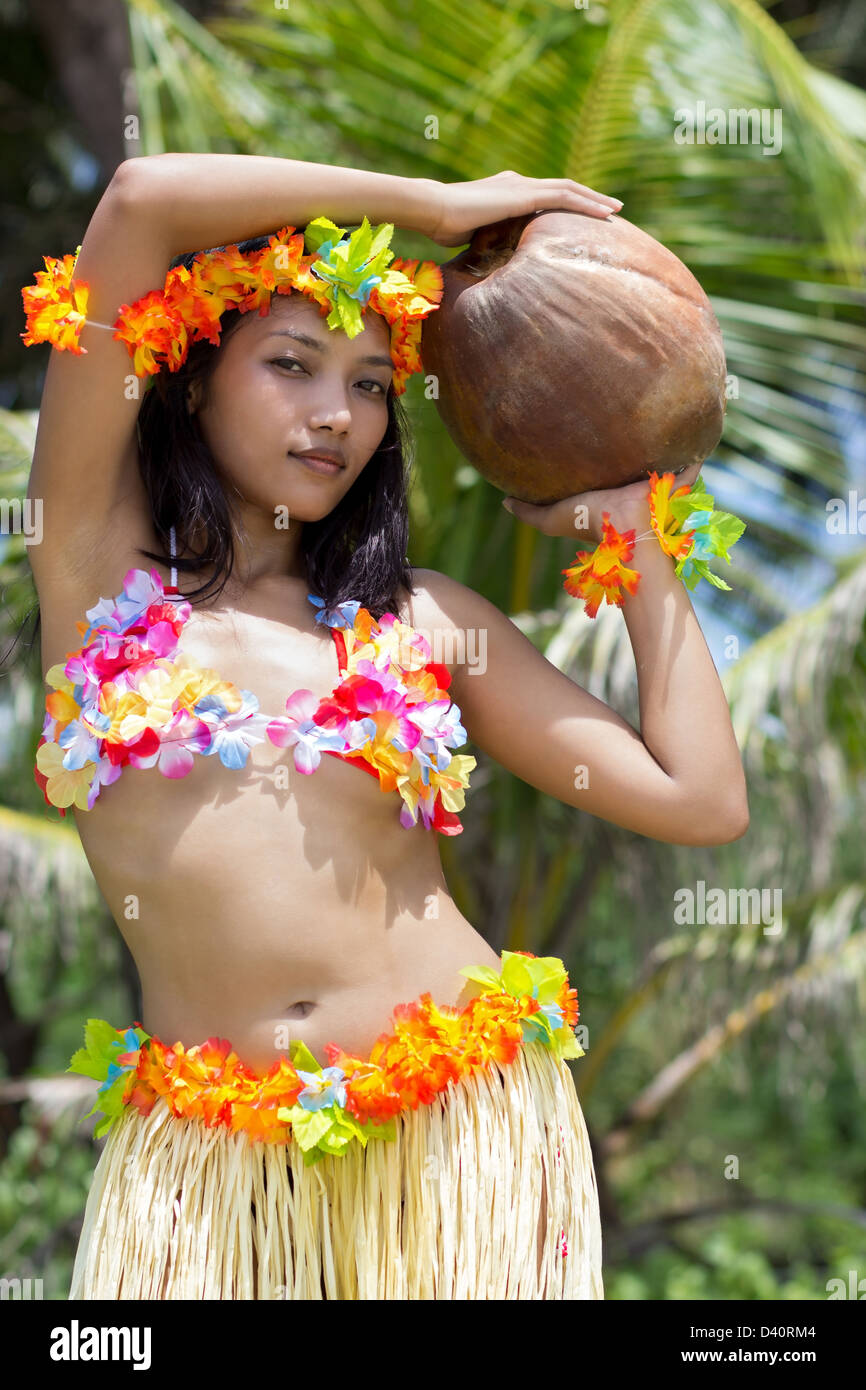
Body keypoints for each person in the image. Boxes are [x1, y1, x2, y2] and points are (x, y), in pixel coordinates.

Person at [21, 155, 749, 1300]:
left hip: (461, 1143)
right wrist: (442, 210)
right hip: (213, 1182)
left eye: (369, 384)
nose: (335, 415)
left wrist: (639, 551)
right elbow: (141, 200)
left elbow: (698, 799)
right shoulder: (90, 574)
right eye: (293, 366)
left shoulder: (420, 620)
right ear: (196, 378)